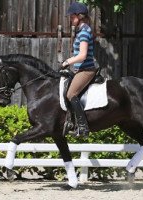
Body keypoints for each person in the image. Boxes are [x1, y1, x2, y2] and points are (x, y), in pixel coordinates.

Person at [61, 2, 96, 137]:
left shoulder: (84, 33)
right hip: (79, 70)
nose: (70, 19)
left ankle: (83, 127)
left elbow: (82, 56)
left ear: (79, 16)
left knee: (71, 95)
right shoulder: (82, 30)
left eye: (72, 16)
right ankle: (70, 121)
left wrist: (67, 61)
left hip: (86, 70)